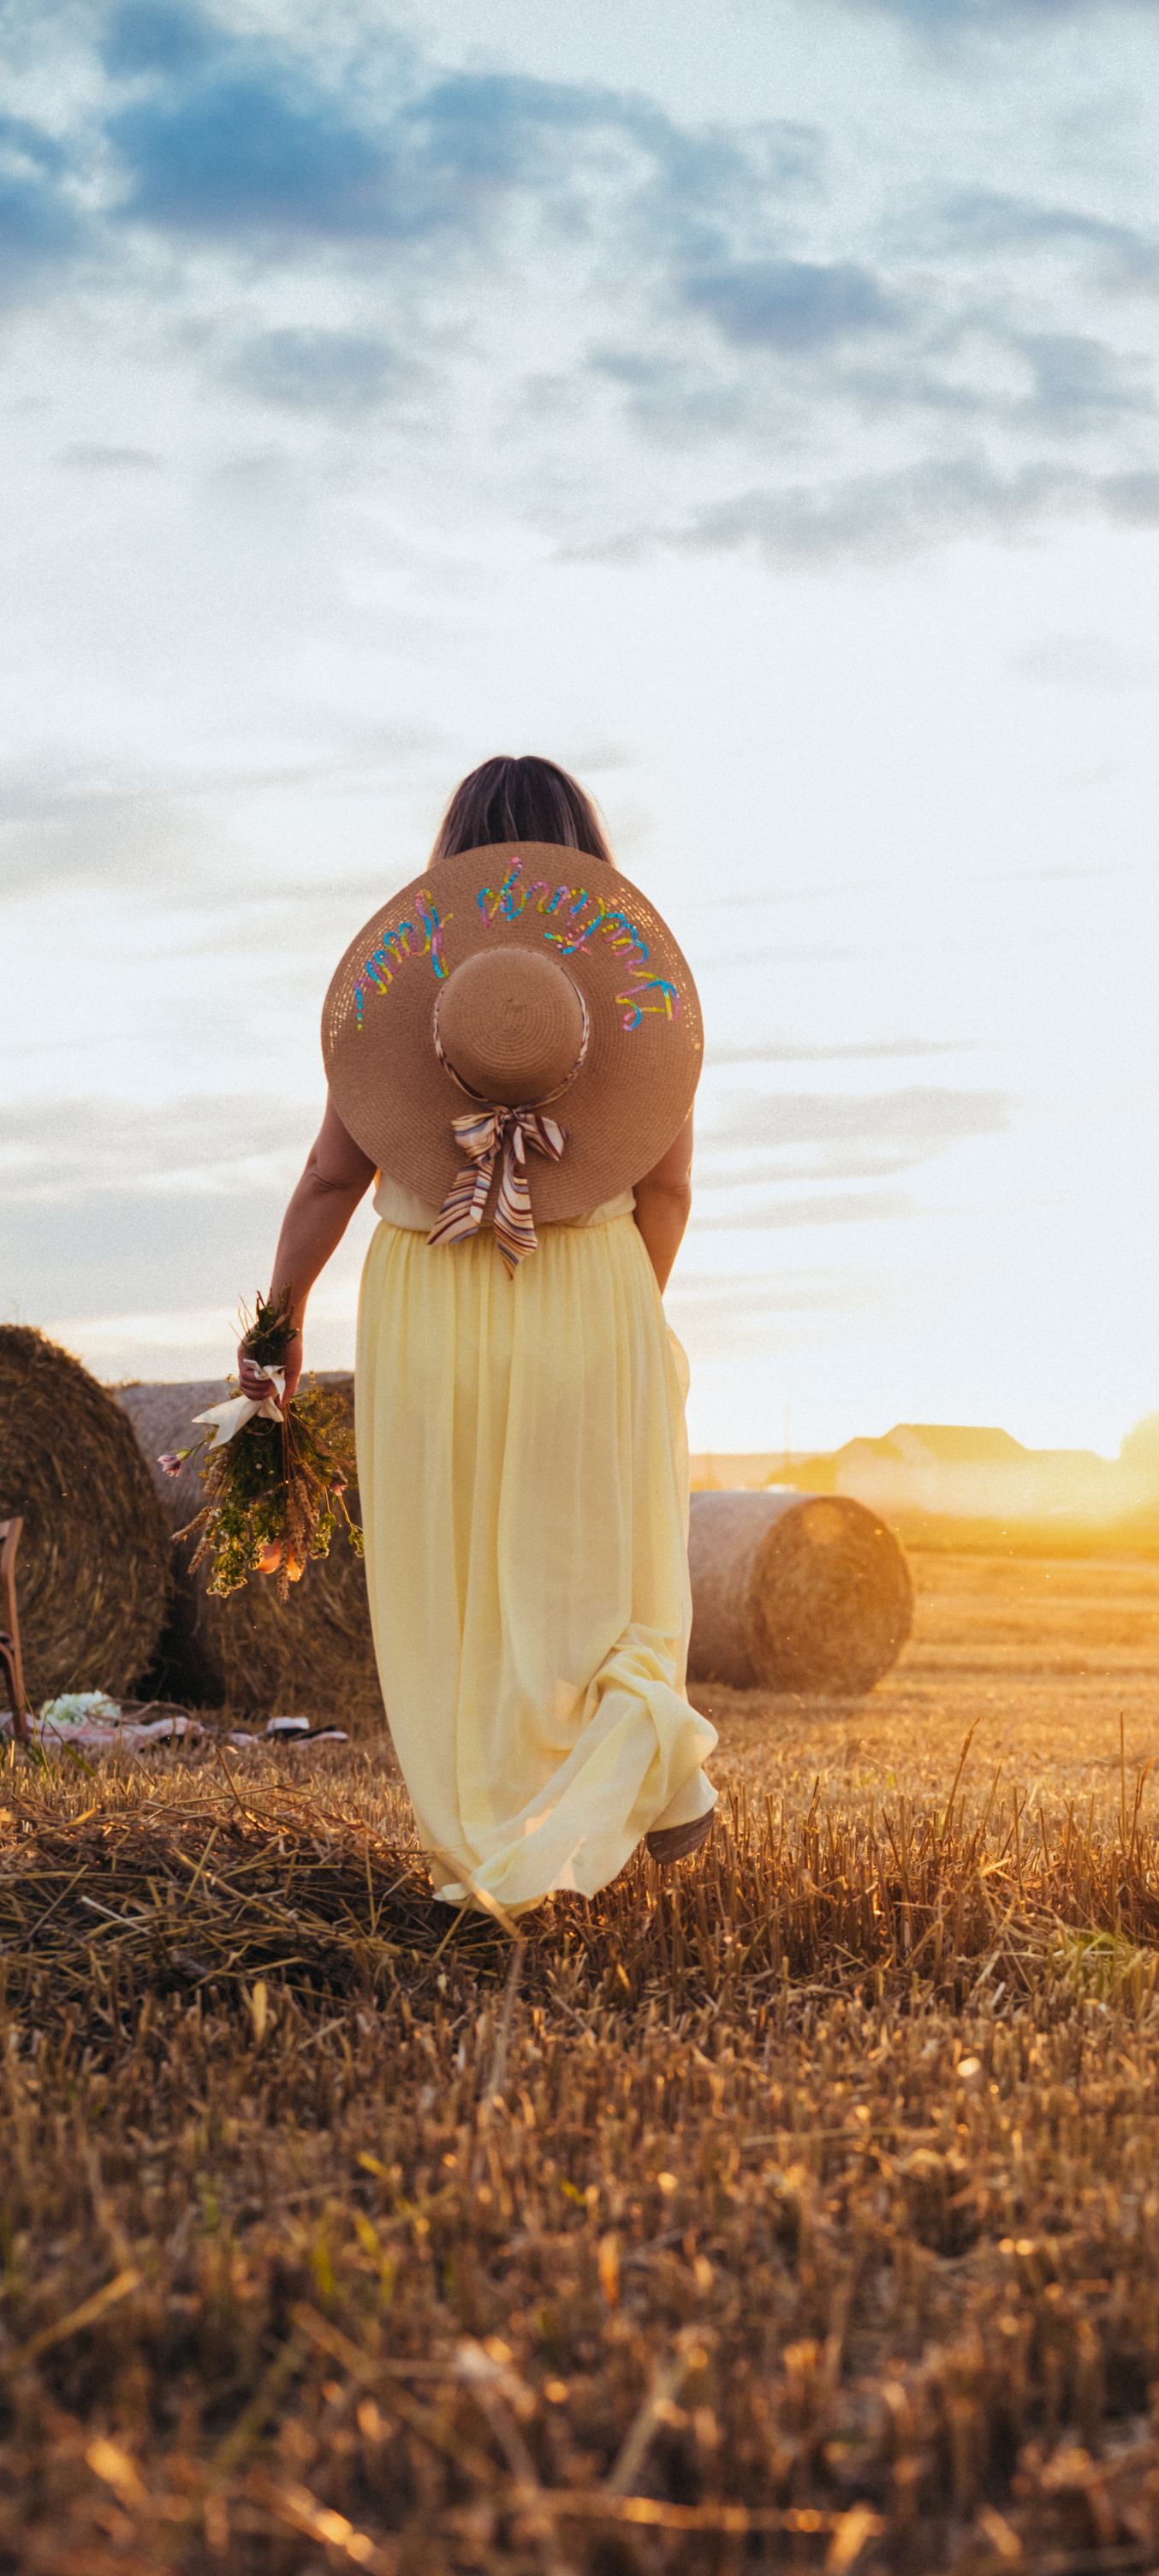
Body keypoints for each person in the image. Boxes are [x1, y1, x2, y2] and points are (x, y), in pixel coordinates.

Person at [245, 753, 718, 1906]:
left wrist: (277, 1325)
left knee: (458, 1598)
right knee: (603, 1583)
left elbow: (326, 1179)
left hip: (432, 1307)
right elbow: (668, 1193)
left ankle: (506, 1834)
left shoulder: (407, 1000)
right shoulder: (630, 993)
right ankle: (648, 1739)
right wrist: (610, 1318)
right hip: (598, 1283)